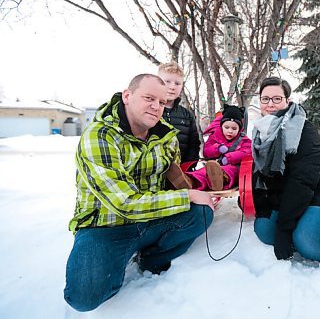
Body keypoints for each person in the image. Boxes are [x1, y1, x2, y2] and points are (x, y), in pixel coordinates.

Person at [64, 74, 214, 312]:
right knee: (84, 298)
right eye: (149, 98)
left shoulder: (165, 137)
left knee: (201, 213)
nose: (156, 107)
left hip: (151, 220)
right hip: (106, 228)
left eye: (162, 102)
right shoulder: (100, 136)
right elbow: (124, 204)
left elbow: (172, 180)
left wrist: (197, 189)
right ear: (127, 96)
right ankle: (115, 258)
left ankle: (150, 257)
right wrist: (186, 197)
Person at [252, 76, 320, 262]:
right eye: (265, 99)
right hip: (292, 197)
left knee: (309, 242)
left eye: (277, 98)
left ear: (287, 101)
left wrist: (284, 228)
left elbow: (302, 180)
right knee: (264, 230)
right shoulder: (261, 134)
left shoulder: (303, 129)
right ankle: (302, 222)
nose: (270, 104)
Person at [184, 104, 252, 191]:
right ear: (222, 126)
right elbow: (206, 151)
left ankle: (220, 180)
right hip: (215, 165)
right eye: (227, 127)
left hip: (233, 167)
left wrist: (229, 158)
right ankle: (190, 181)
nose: (230, 131)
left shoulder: (244, 140)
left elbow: (247, 152)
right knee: (204, 172)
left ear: (239, 129)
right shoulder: (215, 136)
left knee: (229, 170)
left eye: (234, 129)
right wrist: (217, 148)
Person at [158, 62, 201, 163]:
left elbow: (193, 144)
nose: (172, 87)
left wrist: (189, 166)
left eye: (177, 83)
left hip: (180, 169)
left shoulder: (187, 115)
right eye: (167, 81)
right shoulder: (151, 110)